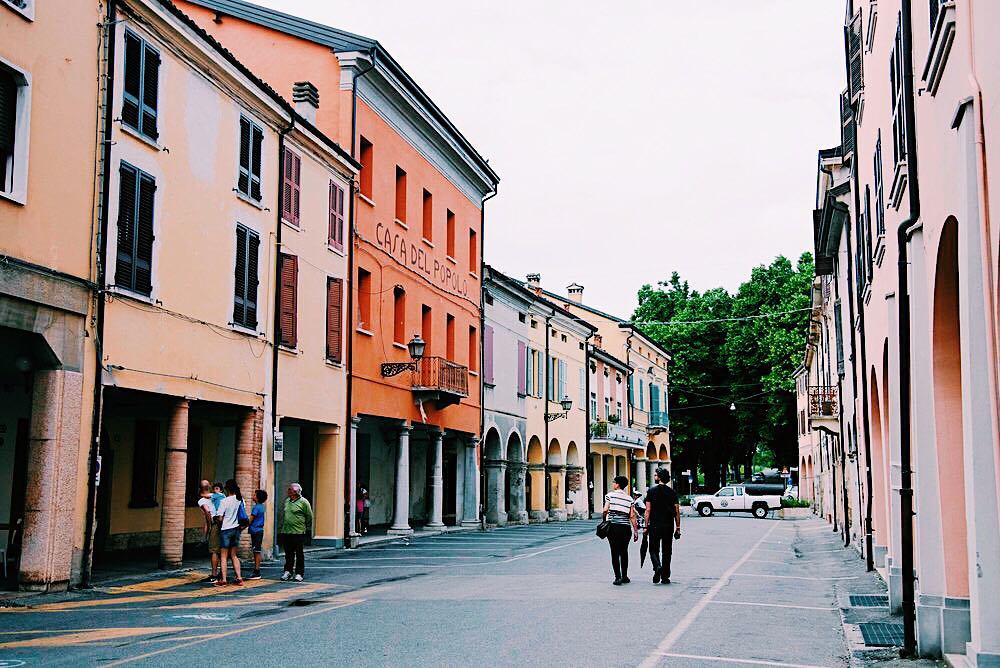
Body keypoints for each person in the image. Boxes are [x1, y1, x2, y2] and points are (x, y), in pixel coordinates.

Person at [644, 467, 681, 584]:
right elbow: (676, 511)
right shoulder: (672, 492)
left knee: (653, 549)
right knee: (667, 551)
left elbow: (648, 510)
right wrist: (678, 527)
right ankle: (665, 576)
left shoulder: (651, 491)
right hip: (668, 526)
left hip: (655, 525)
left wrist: (645, 526)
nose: (654, 477)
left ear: (659, 477)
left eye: (655, 475)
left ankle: (657, 566)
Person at [602, 475, 638, 586]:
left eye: (614, 482)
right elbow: (632, 516)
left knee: (614, 552)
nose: (613, 484)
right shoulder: (629, 499)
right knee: (624, 551)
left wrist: (604, 519)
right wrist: (635, 531)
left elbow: (605, 510)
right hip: (625, 528)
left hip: (613, 527)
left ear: (617, 484)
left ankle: (617, 577)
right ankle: (625, 576)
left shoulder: (609, 496)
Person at [279, 482, 313, 582]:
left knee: (299, 554)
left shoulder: (304, 502)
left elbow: (309, 516)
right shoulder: (287, 501)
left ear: (295, 492)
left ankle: (299, 573)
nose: (288, 491)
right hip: (287, 531)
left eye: (290, 490)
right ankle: (288, 571)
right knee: (288, 553)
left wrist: (304, 526)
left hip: (298, 532)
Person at [214, 479, 245, 586]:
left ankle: (223, 579)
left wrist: (219, 525)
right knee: (234, 555)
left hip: (226, 529)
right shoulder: (240, 500)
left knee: (223, 556)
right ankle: (239, 578)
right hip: (236, 529)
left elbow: (220, 518)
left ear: (227, 489)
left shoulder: (224, 501)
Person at [197, 481, 221, 583]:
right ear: (210, 486)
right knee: (222, 550)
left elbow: (207, 511)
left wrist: (209, 526)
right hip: (224, 523)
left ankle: (214, 575)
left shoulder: (202, 501)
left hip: (215, 523)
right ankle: (222, 572)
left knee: (214, 550)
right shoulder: (218, 495)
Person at [248, 489, 267, 580]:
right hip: (258, 531)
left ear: (258, 498)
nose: (253, 496)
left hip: (256, 531)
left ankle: (257, 570)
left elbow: (251, 519)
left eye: (255, 495)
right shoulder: (261, 507)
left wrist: (242, 525)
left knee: (256, 551)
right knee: (256, 550)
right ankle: (256, 570)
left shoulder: (256, 508)